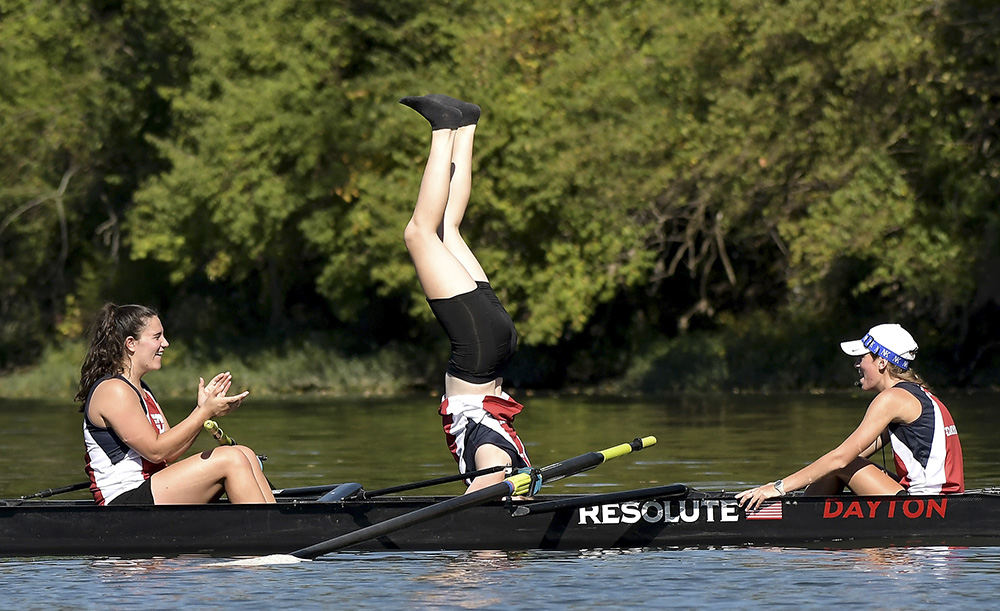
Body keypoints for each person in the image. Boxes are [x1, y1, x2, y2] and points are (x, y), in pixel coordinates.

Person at [399, 94, 531, 493]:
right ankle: (444, 128)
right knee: (419, 233)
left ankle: (464, 126)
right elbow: (491, 475)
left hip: (495, 345)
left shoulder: (497, 441)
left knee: (443, 231)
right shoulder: (489, 445)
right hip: (478, 352)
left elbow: (494, 477)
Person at [737, 323, 964, 510]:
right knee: (838, 464)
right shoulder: (918, 394)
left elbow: (841, 460)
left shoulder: (892, 399)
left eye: (861, 358)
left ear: (882, 362)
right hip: (937, 501)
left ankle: (794, 515)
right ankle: (797, 510)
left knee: (841, 464)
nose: (856, 364)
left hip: (929, 505)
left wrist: (776, 488)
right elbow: (851, 455)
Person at [76, 303, 276, 505]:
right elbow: (156, 451)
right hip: (123, 503)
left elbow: (170, 453)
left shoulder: (142, 390)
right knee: (231, 459)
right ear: (131, 343)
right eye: (157, 337)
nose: (166, 343)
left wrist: (203, 410)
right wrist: (203, 413)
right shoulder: (114, 390)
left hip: (150, 491)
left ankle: (276, 526)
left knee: (244, 454)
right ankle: (268, 532)